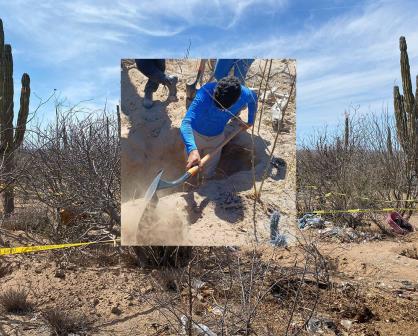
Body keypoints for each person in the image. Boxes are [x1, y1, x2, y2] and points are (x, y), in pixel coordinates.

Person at [180, 76, 257, 178]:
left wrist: (250, 121)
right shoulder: (205, 93)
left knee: (209, 170)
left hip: (217, 138)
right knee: (190, 168)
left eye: (223, 108)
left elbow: (253, 99)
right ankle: (189, 182)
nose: (219, 110)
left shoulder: (244, 94)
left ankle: (204, 183)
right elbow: (186, 122)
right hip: (194, 136)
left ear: (237, 99)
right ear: (216, 90)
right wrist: (192, 150)